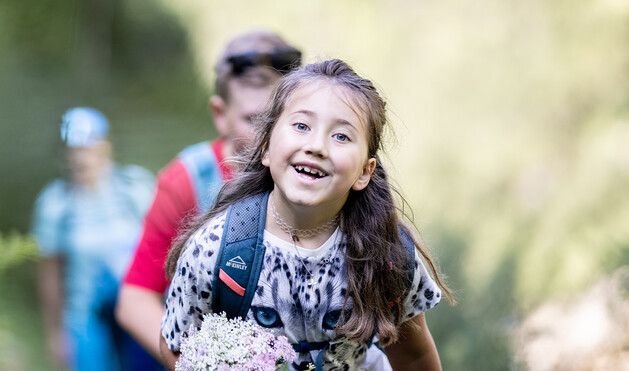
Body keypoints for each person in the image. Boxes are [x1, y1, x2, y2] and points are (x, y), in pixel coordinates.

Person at [159, 59, 455, 370]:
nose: (316, 146)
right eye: (302, 126)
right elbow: (176, 345)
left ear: (364, 173)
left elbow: (414, 358)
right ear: (267, 148)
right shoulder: (216, 249)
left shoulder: (387, 256)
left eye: (341, 136)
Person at [116, 30, 302, 363]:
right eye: (252, 120)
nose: (268, 135)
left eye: (280, 118)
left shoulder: (318, 176)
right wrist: (202, 363)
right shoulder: (188, 180)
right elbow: (135, 299)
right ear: (220, 114)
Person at [33, 107, 158, 371]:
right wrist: (55, 332)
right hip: (84, 316)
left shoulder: (134, 187)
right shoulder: (56, 204)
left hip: (135, 304)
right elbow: (50, 271)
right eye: (73, 150)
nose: (80, 158)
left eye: (87, 148)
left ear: (105, 148)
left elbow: (160, 245)